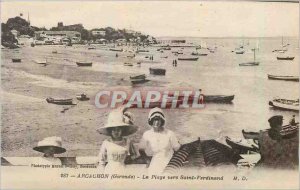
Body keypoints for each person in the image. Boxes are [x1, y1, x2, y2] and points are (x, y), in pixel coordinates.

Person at [139, 107, 181, 174]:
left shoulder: (170, 133)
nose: (156, 122)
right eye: (154, 120)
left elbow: (177, 149)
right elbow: (141, 149)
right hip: (155, 162)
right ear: (151, 120)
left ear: (162, 121)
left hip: (169, 162)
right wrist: (147, 160)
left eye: (159, 120)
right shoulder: (147, 134)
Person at [97, 107, 138, 173]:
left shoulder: (127, 141)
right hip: (109, 171)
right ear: (110, 131)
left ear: (122, 130)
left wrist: (127, 159)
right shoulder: (106, 143)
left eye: (118, 130)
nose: (116, 132)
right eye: (114, 130)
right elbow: (101, 160)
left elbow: (134, 155)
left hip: (123, 170)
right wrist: (102, 172)